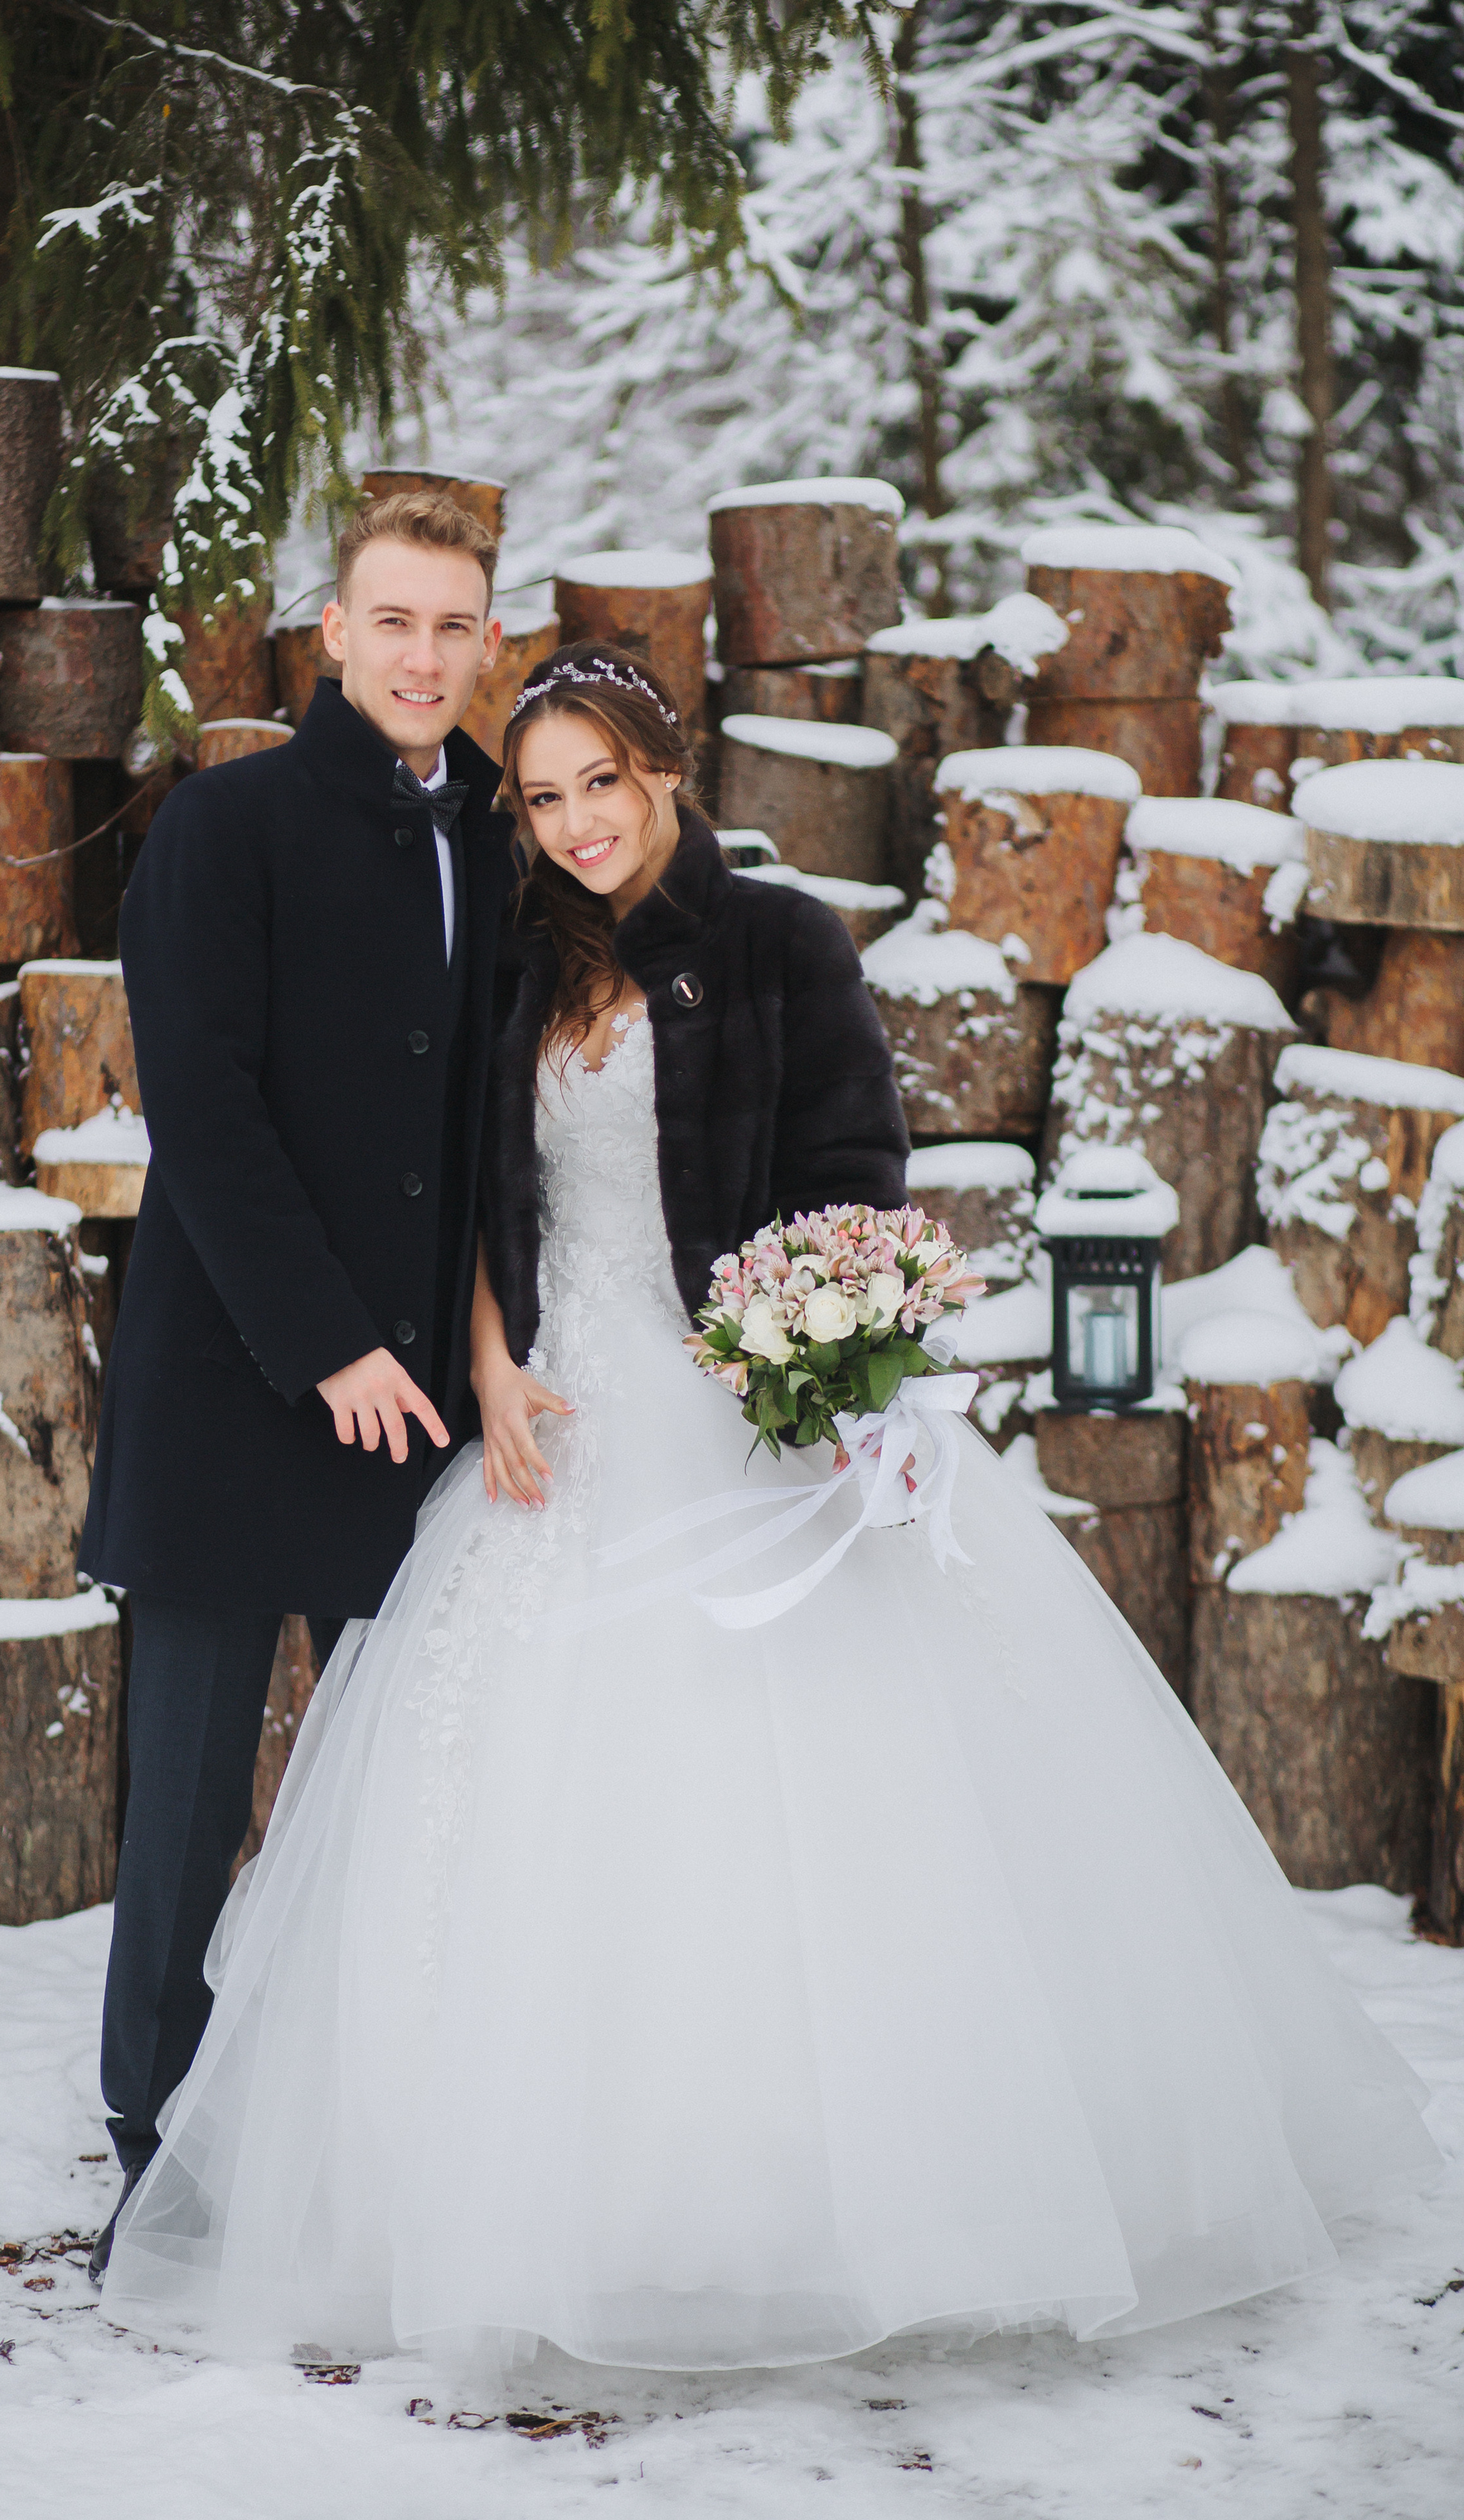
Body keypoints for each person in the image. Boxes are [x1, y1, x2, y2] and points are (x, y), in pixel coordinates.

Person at [101, 642, 1439, 2371]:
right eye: (544, 795)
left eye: (603, 782)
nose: (576, 822)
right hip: (560, 1415)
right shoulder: (524, 958)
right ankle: (532, 2205)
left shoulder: (779, 943)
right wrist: (491, 1367)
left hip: (746, 1415)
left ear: (666, 772)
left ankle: (855, 2195)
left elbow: (855, 1178)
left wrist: (818, 1359)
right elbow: (487, 1211)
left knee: (818, 1787)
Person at [78, 492, 514, 2282]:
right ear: (332, 631)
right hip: (239, 1384)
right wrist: (326, 1341)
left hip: (413, 1419)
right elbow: (203, 1102)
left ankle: (376, 2156)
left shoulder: (501, 834)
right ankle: (155, 2161)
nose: (423, 656)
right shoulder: (228, 822)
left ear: (487, 643)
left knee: (406, 1796)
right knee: (187, 1812)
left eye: (454, 626)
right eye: (392, 620)